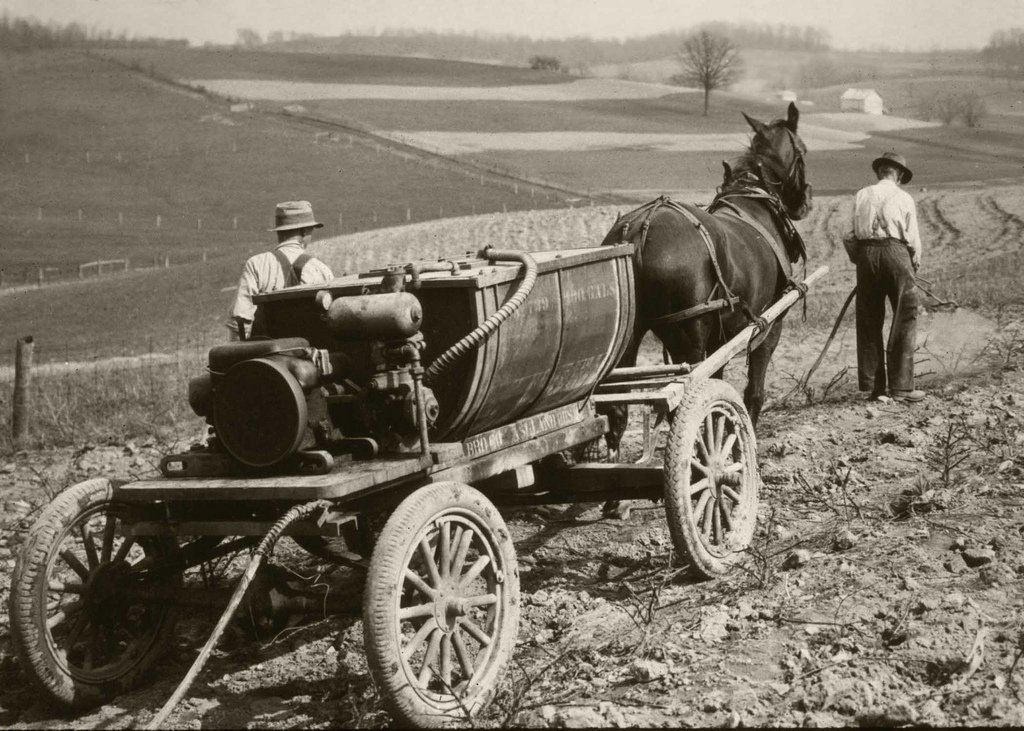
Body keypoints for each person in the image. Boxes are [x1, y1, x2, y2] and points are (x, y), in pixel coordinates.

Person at [851, 151, 925, 403]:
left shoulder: (862, 194)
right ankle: (902, 388)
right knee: (905, 315)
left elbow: (848, 236)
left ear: (879, 172)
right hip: (896, 253)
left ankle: (874, 388)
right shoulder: (904, 197)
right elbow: (912, 239)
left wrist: (861, 259)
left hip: (866, 257)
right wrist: (913, 261)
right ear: (900, 175)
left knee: (869, 319)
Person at [228, 200, 334, 340]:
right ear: (303, 231)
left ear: (279, 232)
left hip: (267, 353)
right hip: (309, 354)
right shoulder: (320, 269)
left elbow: (240, 320)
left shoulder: (256, 264)